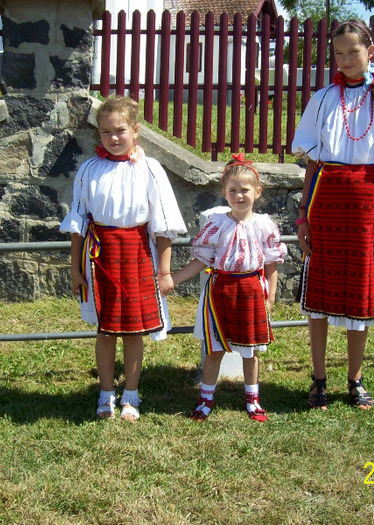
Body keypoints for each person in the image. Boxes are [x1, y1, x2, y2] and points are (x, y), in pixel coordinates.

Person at [291, 19, 374, 410]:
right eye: (339, 53)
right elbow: (313, 166)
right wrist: (302, 216)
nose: (346, 59)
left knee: (361, 297)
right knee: (319, 294)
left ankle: (355, 378)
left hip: (369, 209)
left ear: (370, 52)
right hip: (325, 206)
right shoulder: (323, 99)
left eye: (354, 51)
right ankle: (318, 380)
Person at [59, 95, 187, 421]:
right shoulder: (89, 170)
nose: (113, 138)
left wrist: (165, 270)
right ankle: (105, 395)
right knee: (105, 330)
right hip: (100, 256)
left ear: (135, 130)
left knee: (132, 330)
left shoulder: (150, 169)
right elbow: (78, 223)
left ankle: (131, 394)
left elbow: (163, 225)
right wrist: (75, 269)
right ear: (98, 134)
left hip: (138, 254)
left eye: (120, 130)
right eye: (105, 132)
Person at [172, 154, 287, 422]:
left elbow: (271, 264)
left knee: (250, 350)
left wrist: (270, 296)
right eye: (232, 190)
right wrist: (174, 279)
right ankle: (205, 399)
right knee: (215, 348)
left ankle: (252, 399)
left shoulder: (264, 225)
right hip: (220, 291)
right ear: (225, 193)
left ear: (257, 192)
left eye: (244, 190)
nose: (239, 196)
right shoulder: (217, 225)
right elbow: (202, 259)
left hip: (251, 291)